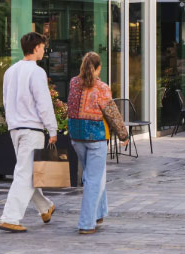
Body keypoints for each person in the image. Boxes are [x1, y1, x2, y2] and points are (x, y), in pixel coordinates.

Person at [0, 32, 58, 233]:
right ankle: (10, 217)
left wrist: (11, 123)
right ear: (36, 48)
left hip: (15, 129)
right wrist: (52, 129)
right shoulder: (36, 72)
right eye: (42, 46)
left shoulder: (10, 71)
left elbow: (6, 101)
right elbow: (43, 102)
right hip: (32, 129)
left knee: (30, 173)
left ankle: (45, 207)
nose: (44, 50)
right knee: (25, 174)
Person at [66, 52, 128, 235]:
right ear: (99, 67)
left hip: (76, 136)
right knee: (93, 179)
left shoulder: (73, 83)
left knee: (92, 175)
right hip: (96, 137)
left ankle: (99, 212)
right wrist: (123, 135)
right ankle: (86, 223)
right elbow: (112, 113)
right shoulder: (101, 87)